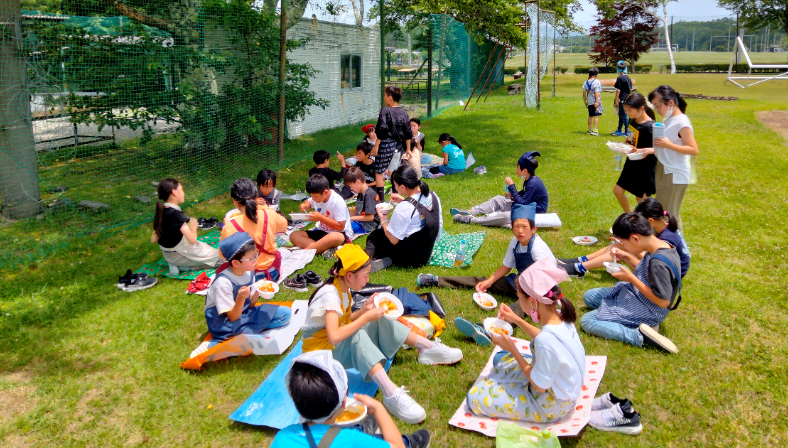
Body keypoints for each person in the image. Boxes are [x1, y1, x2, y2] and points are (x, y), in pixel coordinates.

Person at [301, 244, 463, 424]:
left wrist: (365, 310)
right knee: (357, 336)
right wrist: (365, 318)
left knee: (380, 316)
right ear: (349, 275)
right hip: (318, 359)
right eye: (365, 276)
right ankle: (390, 393)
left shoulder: (343, 287)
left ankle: (427, 348)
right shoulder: (330, 297)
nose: (368, 280)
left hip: (331, 348)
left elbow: (347, 320)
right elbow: (334, 336)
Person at [464, 259, 585, 424]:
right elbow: (545, 337)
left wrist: (513, 349)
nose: (519, 303)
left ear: (533, 302)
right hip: (563, 383)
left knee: (474, 398)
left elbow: (540, 386)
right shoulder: (561, 315)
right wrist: (516, 319)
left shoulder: (545, 342)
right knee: (500, 358)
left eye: (520, 298)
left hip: (551, 404)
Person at [417, 203, 556, 320]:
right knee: (481, 281)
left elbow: (548, 278)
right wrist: (489, 282)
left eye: (525, 227)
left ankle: (497, 326)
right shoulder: (515, 242)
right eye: (516, 226)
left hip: (539, 291)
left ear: (534, 228)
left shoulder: (537, 248)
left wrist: (532, 295)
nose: (520, 231)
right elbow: (507, 266)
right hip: (520, 283)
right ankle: (436, 280)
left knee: (519, 307)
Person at [272, 350, 431, 448]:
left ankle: (364, 430)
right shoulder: (351, 440)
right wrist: (378, 408)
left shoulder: (282, 437)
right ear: (343, 402)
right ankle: (408, 442)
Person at [580, 213, 682, 354]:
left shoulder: (659, 263)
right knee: (590, 297)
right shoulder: (662, 245)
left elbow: (663, 301)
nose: (623, 246)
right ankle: (644, 326)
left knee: (588, 320)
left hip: (651, 308)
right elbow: (649, 273)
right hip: (638, 295)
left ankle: (640, 336)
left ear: (635, 238)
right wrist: (627, 257)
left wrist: (631, 278)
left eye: (624, 243)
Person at [195, 232, 292, 356]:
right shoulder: (223, 283)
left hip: (244, 314)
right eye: (251, 258)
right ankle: (215, 344)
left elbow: (250, 306)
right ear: (236, 263)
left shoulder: (248, 272)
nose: (256, 260)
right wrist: (240, 298)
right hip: (225, 324)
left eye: (255, 255)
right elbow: (233, 317)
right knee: (250, 339)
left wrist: (258, 290)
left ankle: (246, 335)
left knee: (285, 314)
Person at [559, 198, 690, 279]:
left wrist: (629, 249)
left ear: (650, 221)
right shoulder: (667, 228)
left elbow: (655, 263)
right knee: (621, 246)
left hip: (665, 275)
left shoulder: (667, 238)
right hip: (663, 269)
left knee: (622, 250)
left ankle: (579, 268)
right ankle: (580, 263)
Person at [643, 85, 699, 233]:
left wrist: (668, 144)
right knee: (664, 210)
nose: (656, 110)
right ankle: (665, 247)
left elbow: (693, 150)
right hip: (665, 168)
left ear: (671, 102)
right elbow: (665, 145)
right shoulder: (669, 119)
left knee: (668, 214)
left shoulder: (682, 122)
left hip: (675, 173)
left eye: (657, 105)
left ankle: (676, 249)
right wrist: (649, 150)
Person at [364, 166, 442, 272]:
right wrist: (404, 200)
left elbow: (394, 239)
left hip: (410, 258)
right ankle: (382, 259)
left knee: (376, 235)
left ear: (403, 187)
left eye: (395, 186)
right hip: (426, 252)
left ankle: (365, 262)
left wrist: (383, 219)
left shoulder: (405, 208)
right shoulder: (432, 195)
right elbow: (422, 213)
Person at [452, 151, 548, 227]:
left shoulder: (533, 183)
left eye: (517, 167)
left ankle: (470, 219)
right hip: (524, 208)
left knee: (505, 216)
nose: (516, 170)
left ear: (525, 170)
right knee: (498, 199)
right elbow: (523, 197)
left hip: (532, 213)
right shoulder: (530, 180)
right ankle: (471, 211)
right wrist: (511, 195)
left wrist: (512, 187)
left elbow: (522, 202)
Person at [220, 178, 288, 281]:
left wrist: (226, 227)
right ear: (256, 196)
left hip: (247, 278)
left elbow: (223, 255)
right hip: (273, 272)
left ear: (234, 200)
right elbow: (284, 225)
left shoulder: (230, 226)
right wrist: (263, 208)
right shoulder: (268, 213)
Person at [151, 178, 221, 276]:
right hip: (180, 256)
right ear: (174, 192)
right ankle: (185, 267)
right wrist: (193, 228)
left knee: (207, 250)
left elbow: (153, 239)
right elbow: (192, 241)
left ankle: (176, 265)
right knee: (223, 259)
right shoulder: (176, 215)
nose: (183, 193)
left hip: (168, 256)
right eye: (182, 189)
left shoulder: (160, 212)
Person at [613, 92, 657, 213]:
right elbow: (631, 137)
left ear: (641, 108)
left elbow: (662, 148)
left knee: (642, 200)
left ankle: (648, 227)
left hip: (645, 168)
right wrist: (622, 144)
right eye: (625, 110)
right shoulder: (634, 121)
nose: (627, 113)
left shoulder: (651, 127)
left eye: (629, 110)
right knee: (617, 191)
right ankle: (631, 218)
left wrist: (646, 151)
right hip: (632, 163)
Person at [289, 174, 353, 257]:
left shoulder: (337, 202)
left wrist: (320, 218)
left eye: (315, 197)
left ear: (325, 192)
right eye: (312, 196)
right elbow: (309, 202)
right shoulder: (317, 196)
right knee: (294, 235)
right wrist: (305, 205)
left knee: (335, 237)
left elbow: (340, 226)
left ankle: (306, 251)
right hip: (322, 232)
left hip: (340, 234)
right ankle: (321, 248)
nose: (313, 199)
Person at [371, 86, 412, 200]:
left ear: (390, 97)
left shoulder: (385, 110)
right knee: (393, 171)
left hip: (386, 145)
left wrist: (376, 146)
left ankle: (381, 200)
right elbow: (408, 131)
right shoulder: (403, 112)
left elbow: (382, 129)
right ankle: (395, 196)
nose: (383, 98)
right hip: (398, 146)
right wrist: (408, 149)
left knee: (379, 172)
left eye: (384, 95)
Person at [345, 167, 380, 235]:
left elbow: (371, 217)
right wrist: (345, 215)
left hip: (368, 226)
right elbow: (357, 210)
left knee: (345, 226)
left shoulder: (369, 194)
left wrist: (351, 218)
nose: (351, 189)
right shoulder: (361, 193)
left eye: (351, 186)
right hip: (361, 222)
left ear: (358, 182)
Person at [611, 60, 632, 137]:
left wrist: (616, 100)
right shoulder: (628, 78)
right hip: (627, 98)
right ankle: (619, 129)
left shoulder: (619, 78)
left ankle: (627, 131)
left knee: (623, 115)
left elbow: (618, 90)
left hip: (622, 99)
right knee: (621, 115)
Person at [583, 67, 603, 136]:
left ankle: (590, 129)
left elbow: (584, 93)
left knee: (590, 115)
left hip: (589, 101)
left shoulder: (586, 82)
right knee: (597, 115)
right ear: (596, 74)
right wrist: (597, 101)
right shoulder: (596, 82)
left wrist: (585, 101)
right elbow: (597, 92)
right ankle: (595, 130)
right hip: (595, 100)